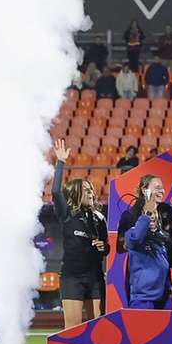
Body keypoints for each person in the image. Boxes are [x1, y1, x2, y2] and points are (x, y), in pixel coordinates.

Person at [51, 140, 109, 328]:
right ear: (76, 193)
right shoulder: (67, 214)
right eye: (85, 190)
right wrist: (60, 162)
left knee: (97, 329)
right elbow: (55, 191)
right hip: (72, 278)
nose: (91, 193)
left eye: (91, 190)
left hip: (95, 278)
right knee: (73, 330)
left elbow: (106, 247)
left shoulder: (99, 217)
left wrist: (104, 247)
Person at [116, 174, 172, 302]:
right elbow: (122, 246)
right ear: (145, 190)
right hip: (142, 281)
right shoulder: (130, 215)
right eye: (157, 187)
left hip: (163, 281)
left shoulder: (166, 211)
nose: (162, 191)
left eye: (162, 188)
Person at [124, 191, 172, 309]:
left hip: (164, 298)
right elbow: (136, 239)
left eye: (154, 212)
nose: (152, 215)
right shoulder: (131, 234)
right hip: (143, 299)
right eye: (148, 213)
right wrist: (147, 213)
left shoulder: (162, 237)